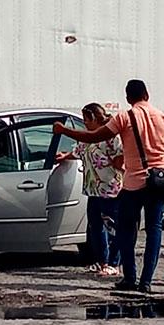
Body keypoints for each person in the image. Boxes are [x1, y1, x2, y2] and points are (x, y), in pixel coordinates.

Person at [54, 80, 164, 294]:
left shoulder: (125, 117)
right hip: (161, 180)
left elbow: (94, 136)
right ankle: (146, 281)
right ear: (147, 94)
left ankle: (130, 277)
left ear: (128, 98)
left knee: (126, 230)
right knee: (154, 229)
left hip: (134, 183)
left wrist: (64, 130)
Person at [57, 103, 124, 277]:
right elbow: (79, 151)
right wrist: (65, 156)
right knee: (95, 227)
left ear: (94, 118)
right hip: (93, 189)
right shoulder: (88, 137)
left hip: (110, 188)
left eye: (87, 119)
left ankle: (114, 262)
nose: (85, 123)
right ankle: (102, 260)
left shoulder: (111, 136)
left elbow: (120, 157)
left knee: (113, 227)